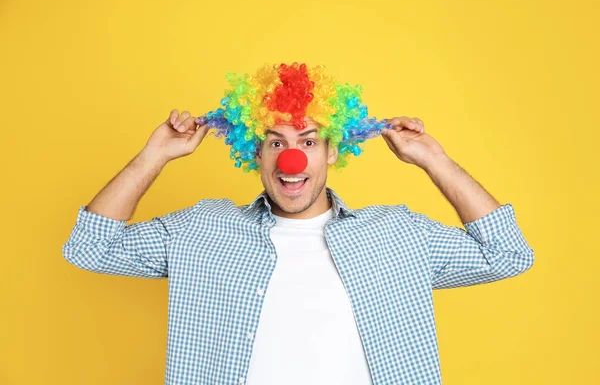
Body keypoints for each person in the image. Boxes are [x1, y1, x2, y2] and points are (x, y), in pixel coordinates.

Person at [62, 66, 535, 385]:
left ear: (332, 151)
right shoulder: (202, 230)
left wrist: (437, 162)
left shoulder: (397, 234)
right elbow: (90, 248)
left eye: (308, 141)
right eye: (275, 142)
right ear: (255, 152)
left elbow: (508, 254)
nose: (292, 156)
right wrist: (154, 156)